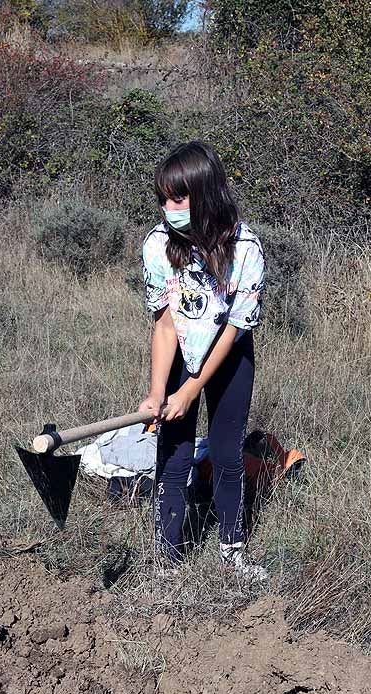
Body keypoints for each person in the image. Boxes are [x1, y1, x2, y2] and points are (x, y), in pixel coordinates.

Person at [137, 141, 267, 581]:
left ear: (206, 194)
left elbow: (233, 330)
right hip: (181, 350)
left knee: (228, 453)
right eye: (163, 198)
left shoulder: (246, 249)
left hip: (228, 357)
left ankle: (232, 552)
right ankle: (167, 560)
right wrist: (159, 392)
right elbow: (165, 325)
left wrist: (192, 389)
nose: (168, 208)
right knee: (173, 452)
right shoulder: (158, 245)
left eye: (178, 198)